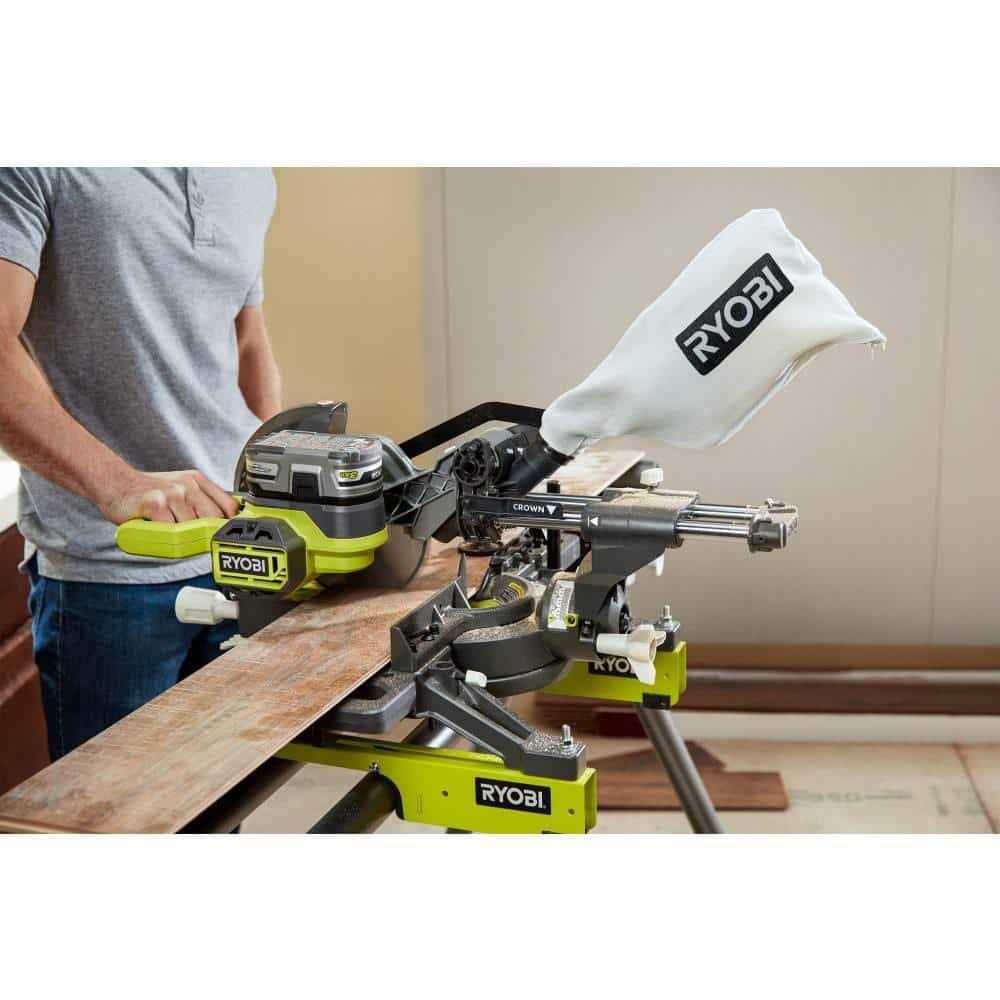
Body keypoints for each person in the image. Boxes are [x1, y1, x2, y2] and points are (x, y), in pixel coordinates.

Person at [0, 168, 280, 760]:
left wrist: (279, 478)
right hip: (111, 575)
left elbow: (248, 338)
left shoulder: (249, 169)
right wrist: (118, 485)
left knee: (224, 796)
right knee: (116, 808)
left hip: (241, 553)